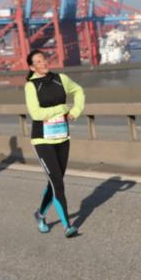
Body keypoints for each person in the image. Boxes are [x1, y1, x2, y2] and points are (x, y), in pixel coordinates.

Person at [24, 50, 85, 238]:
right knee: (57, 182)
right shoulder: (31, 85)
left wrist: (76, 111)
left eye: (44, 59)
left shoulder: (61, 78)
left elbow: (78, 91)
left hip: (62, 138)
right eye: (38, 61)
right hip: (42, 140)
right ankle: (68, 226)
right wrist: (62, 109)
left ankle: (40, 214)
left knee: (55, 182)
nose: (43, 63)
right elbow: (36, 114)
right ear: (32, 67)